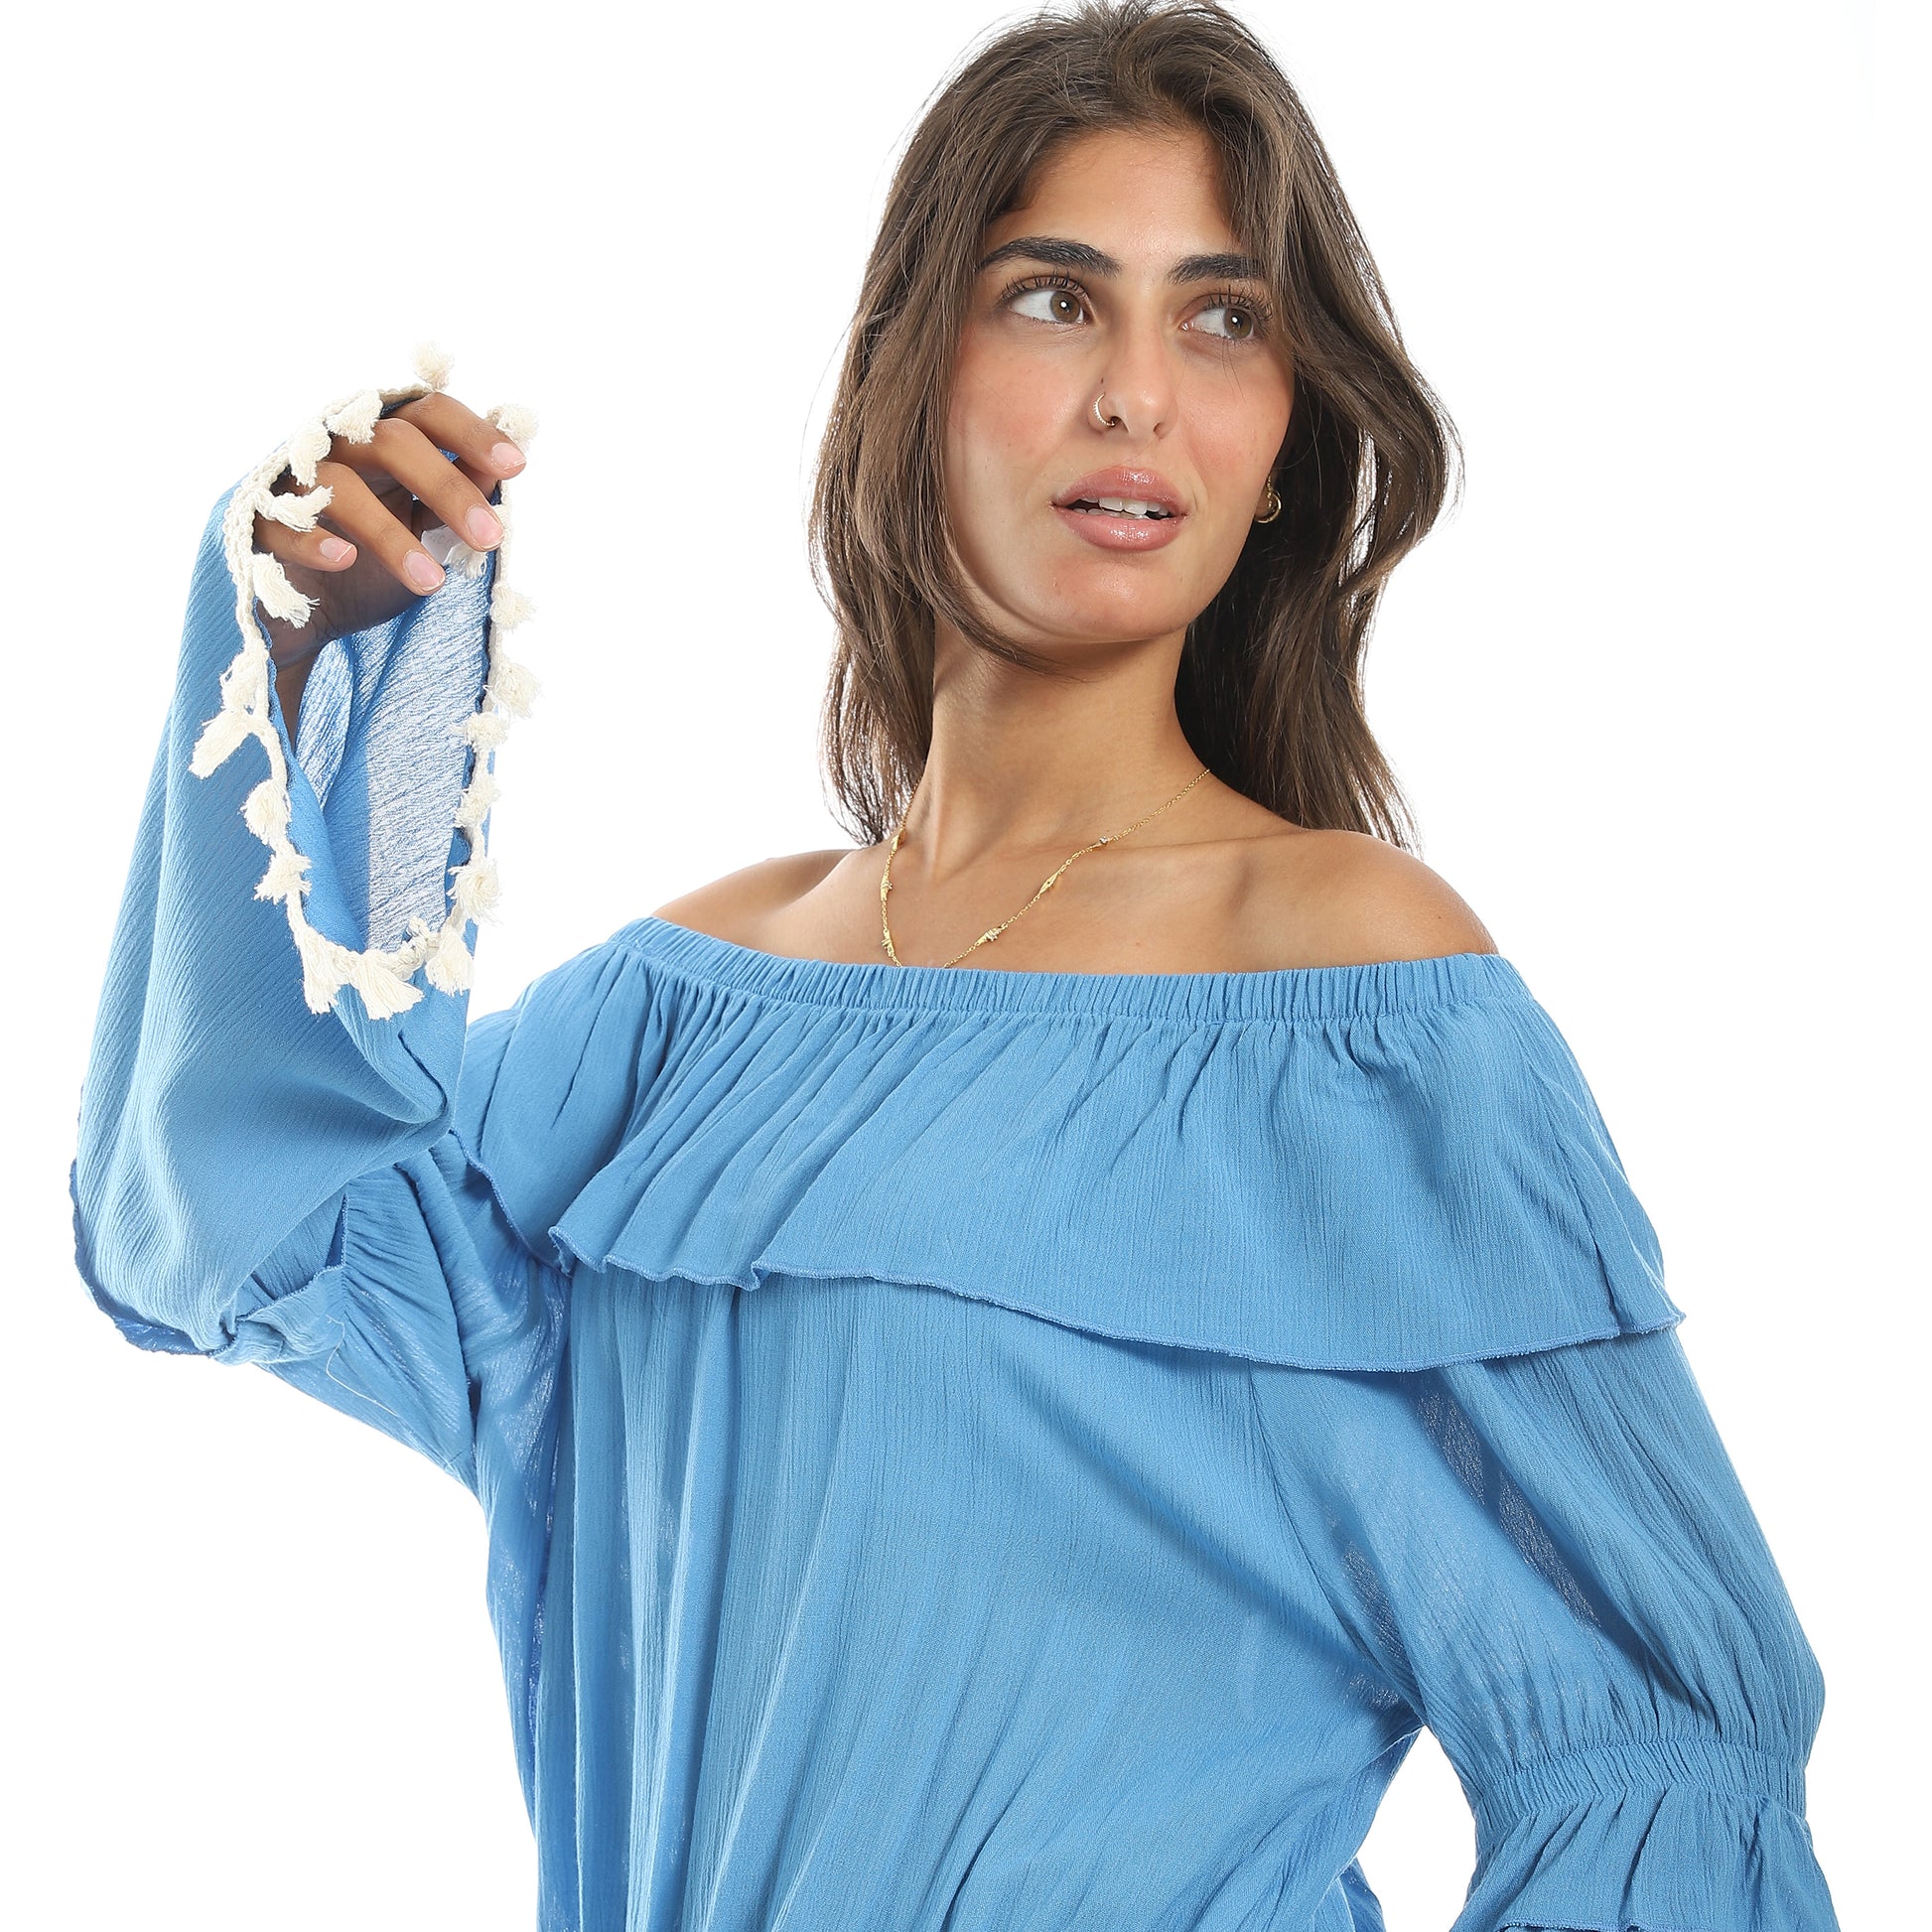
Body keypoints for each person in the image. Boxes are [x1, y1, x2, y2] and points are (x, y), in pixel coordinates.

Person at [69, 2, 1840, 1927]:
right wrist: (307, 662)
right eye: (1056, 300)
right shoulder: (685, 1011)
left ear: (1279, 448)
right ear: (906, 375)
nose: (1138, 394)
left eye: (1222, 318)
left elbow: (1660, 1748)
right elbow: (237, 1229)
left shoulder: (1351, 1005)